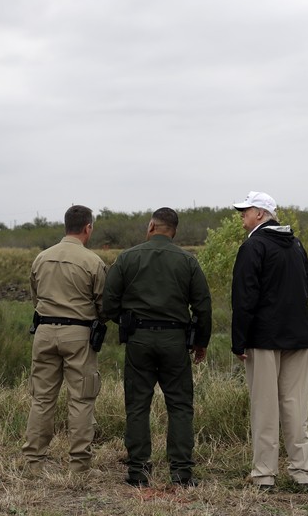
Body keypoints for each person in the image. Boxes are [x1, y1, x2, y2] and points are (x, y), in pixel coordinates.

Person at [102, 207, 213, 488]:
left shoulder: (127, 258)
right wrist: (200, 342)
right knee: (180, 405)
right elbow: (202, 307)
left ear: (151, 226)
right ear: (174, 230)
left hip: (139, 338)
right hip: (175, 340)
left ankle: (138, 471)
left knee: (137, 405)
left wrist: (128, 322)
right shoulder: (188, 261)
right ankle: (181, 472)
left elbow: (109, 304)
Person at [230, 191, 308, 491]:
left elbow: (244, 298)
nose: (242, 216)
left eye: (246, 211)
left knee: (265, 407)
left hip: (264, 339)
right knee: (295, 404)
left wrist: (238, 341)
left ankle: (265, 474)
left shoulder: (253, 246)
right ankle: (303, 472)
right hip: (299, 337)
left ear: (261, 214)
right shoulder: (295, 244)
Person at [23, 205, 108, 475]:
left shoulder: (41, 258)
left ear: (65, 226)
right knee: (81, 399)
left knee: (42, 399)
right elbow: (103, 306)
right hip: (79, 334)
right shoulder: (93, 261)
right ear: (88, 228)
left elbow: (36, 299)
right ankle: (79, 466)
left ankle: (33, 462)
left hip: (44, 332)